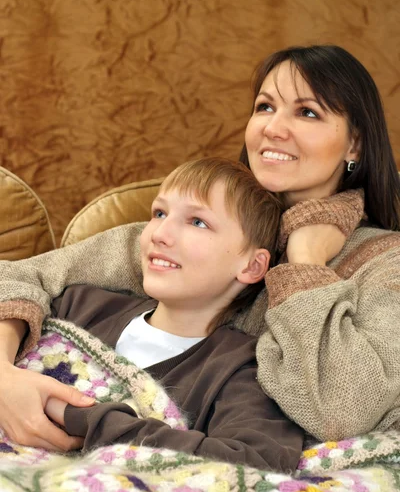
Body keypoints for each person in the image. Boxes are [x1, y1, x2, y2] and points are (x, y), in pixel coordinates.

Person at [0, 44, 399, 450]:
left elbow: (340, 412)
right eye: (264, 107)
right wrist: (3, 378)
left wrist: (305, 261)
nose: (273, 128)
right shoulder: (186, 237)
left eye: (307, 112)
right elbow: (18, 276)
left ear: (355, 144)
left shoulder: (386, 263)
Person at [35, 157, 302, 470]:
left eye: (197, 222)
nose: (159, 233)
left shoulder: (241, 369)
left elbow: (255, 463)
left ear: (252, 266)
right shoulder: (78, 305)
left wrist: (77, 416)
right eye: (159, 213)